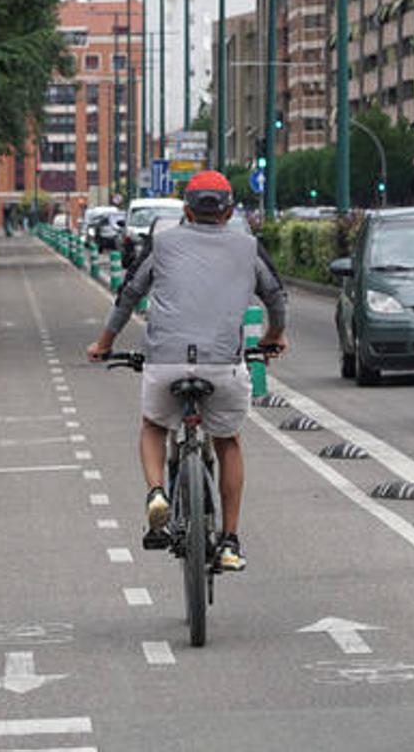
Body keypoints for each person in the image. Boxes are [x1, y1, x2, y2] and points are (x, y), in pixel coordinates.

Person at [86, 170, 288, 572]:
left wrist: (104, 344)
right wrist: (274, 336)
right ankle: (230, 540)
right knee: (227, 440)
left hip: (165, 361)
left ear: (187, 212)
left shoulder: (161, 243)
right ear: (229, 210)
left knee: (154, 426)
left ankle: (157, 492)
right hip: (223, 365)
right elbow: (276, 298)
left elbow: (128, 295)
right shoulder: (248, 246)